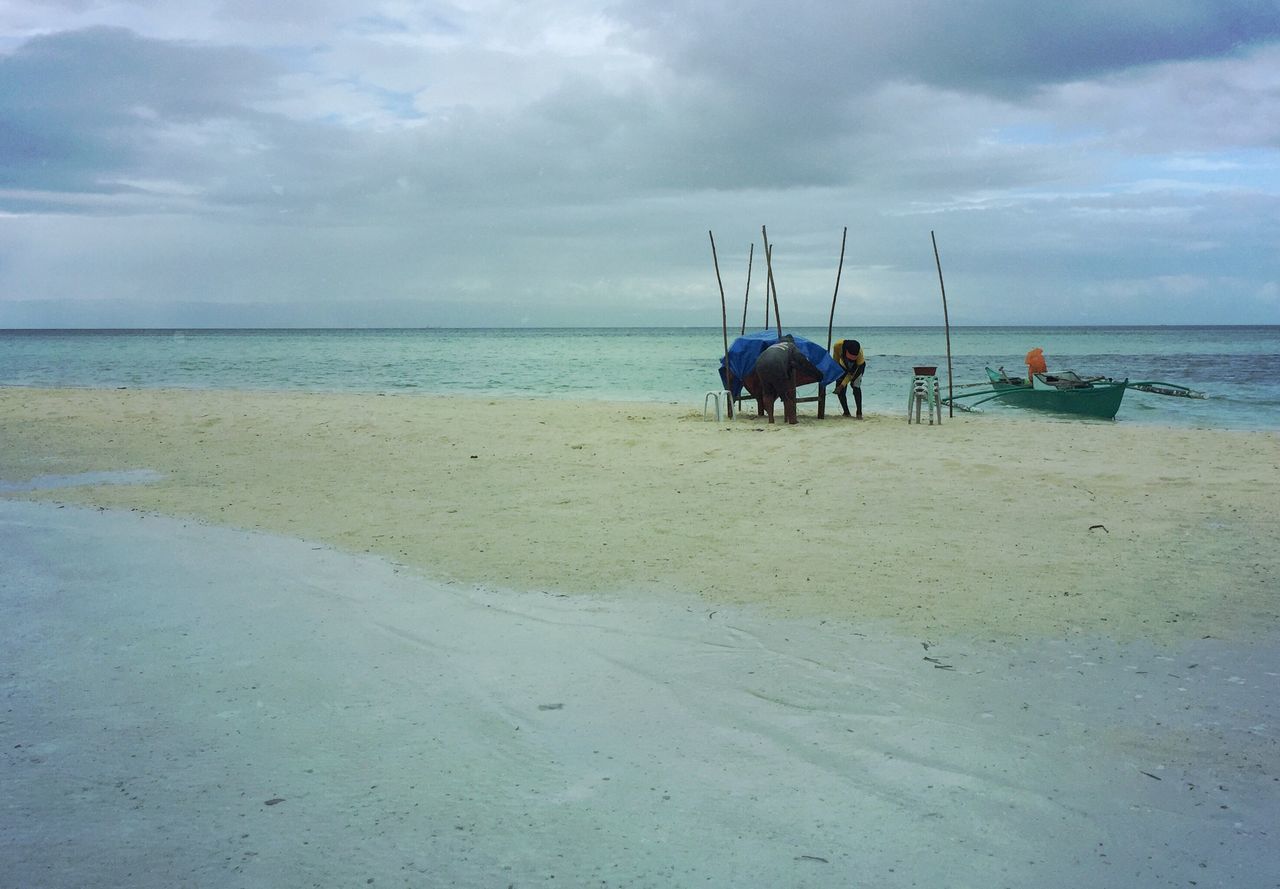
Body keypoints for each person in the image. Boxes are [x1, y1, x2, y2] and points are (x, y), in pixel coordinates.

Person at [751, 335, 821, 425]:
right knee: (786, 395)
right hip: (776, 364)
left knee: (767, 393)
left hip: (760, 363)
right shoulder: (791, 346)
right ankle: (792, 420)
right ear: (792, 342)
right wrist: (817, 374)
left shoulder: (773, 346)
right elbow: (802, 361)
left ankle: (771, 420)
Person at [831, 337, 866, 418]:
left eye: (854, 359)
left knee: (855, 386)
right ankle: (846, 412)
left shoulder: (859, 356)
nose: (851, 361)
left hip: (858, 367)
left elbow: (851, 374)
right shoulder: (837, 346)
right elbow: (835, 361)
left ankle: (859, 413)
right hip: (842, 365)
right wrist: (835, 376)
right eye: (850, 358)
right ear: (846, 351)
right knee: (840, 389)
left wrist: (842, 384)